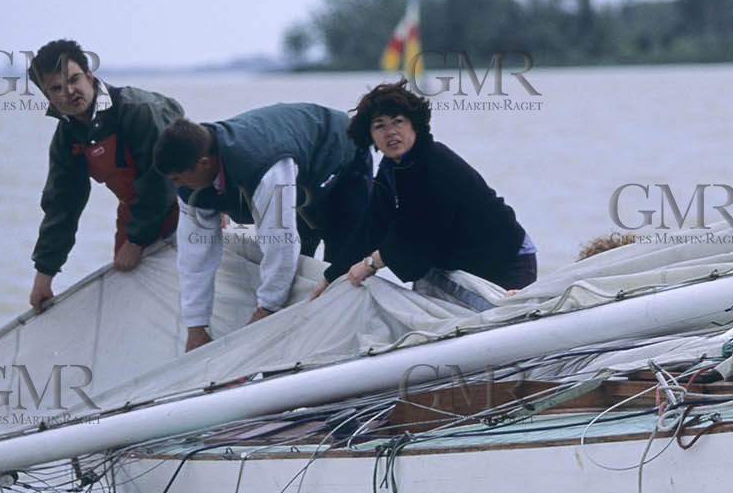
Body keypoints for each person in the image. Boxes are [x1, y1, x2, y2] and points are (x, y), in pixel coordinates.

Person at [154, 104, 370, 350]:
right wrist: (196, 327)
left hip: (340, 151)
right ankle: (293, 350)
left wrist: (265, 310)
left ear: (204, 163)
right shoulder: (190, 186)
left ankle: (345, 349)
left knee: (341, 266)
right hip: (299, 177)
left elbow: (281, 244)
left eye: (177, 178)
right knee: (298, 267)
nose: (177, 186)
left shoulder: (264, 169)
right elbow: (195, 259)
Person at [312, 81, 535, 311]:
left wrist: (370, 263)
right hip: (458, 263)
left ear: (414, 126)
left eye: (398, 122)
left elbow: (421, 234)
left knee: (500, 323)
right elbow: (372, 227)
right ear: (370, 136)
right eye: (380, 126)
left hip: (506, 260)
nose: (390, 132)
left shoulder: (436, 162)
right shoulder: (391, 169)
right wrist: (329, 277)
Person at [26, 39, 183, 314]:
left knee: (190, 292)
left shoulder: (140, 110)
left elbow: (162, 179)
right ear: (48, 97)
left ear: (89, 76)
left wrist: (136, 241)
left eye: (74, 79)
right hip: (135, 213)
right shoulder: (66, 138)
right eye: (57, 88)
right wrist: (44, 273)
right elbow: (62, 206)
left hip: (188, 205)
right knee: (129, 299)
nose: (70, 92)